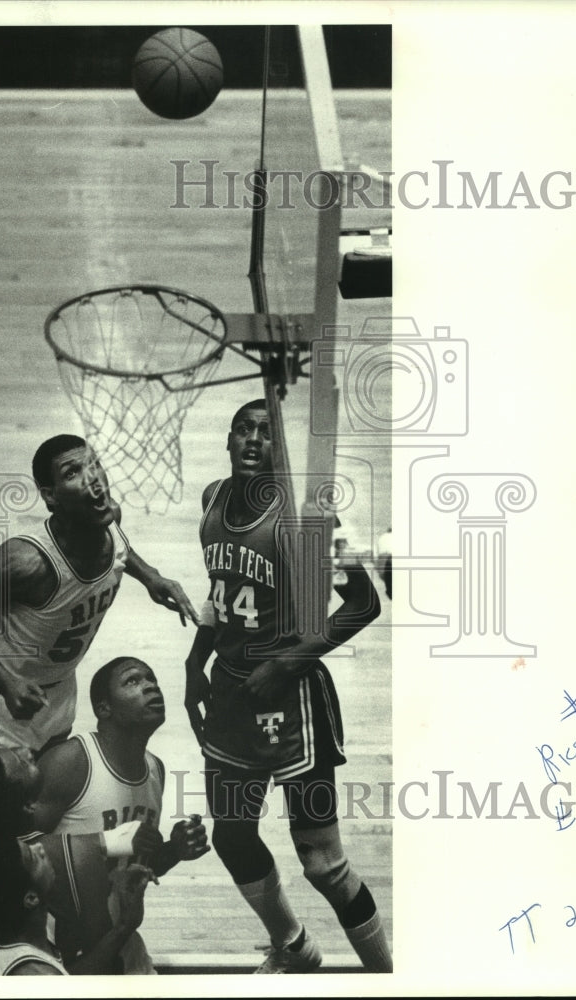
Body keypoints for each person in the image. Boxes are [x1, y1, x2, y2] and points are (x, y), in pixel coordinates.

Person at [184, 399, 393, 973]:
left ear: (284, 450)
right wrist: (192, 663)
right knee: (231, 835)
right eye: (243, 430)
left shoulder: (302, 522)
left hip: (293, 704)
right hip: (229, 698)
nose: (253, 440)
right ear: (228, 440)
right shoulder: (212, 501)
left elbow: (362, 602)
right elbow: (220, 590)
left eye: (267, 434)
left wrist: (287, 662)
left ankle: (388, 975)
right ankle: (296, 947)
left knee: (323, 864)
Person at [0, 434, 198, 757]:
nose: (93, 479)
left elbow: (119, 544)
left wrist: (150, 576)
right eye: (72, 473)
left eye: (95, 465)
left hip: (59, 689)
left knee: (49, 793)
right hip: (2, 695)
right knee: (4, 802)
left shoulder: (109, 516)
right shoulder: (26, 564)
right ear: (50, 496)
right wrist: (6, 683)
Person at [32, 655, 210, 973]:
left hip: (117, 938)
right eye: (133, 680)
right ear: (104, 709)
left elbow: (131, 871)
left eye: (152, 678)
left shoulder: (155, 769)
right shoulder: (71, 761)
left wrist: (174, 851)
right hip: (51, 946)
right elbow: (13, 849)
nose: (150, 686)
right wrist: (108, 841)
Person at [0, 746, 161, 975]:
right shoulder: (73, 857)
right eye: (22, 763)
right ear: (30, 806)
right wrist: (123, 927)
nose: (27, 751)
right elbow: (102, 969)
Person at [0, 836, 151, 976]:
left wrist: (125, 926)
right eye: (33, 858)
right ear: (31, 899)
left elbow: (68, 980)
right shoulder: (37, 976)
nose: (40, 847)